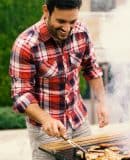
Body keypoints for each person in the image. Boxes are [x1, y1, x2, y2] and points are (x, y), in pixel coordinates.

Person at [9, 0, 109, 159]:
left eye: (72, 21)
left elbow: (91, 68)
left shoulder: (81, 31)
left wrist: (101, 102)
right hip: (46, 128)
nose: (67, 28)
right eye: (61, 21)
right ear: (46, 11)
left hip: (78, 119)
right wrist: (46, 119)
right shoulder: (26, 44)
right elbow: (21, 94)